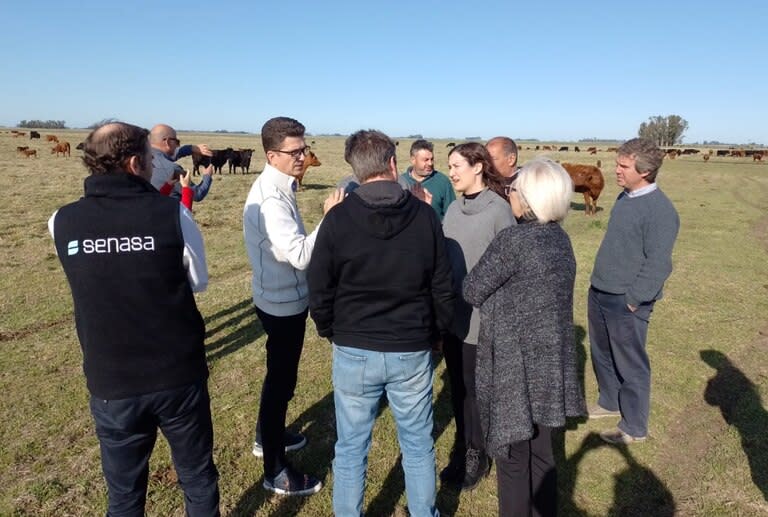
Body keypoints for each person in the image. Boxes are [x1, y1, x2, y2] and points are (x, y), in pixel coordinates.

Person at [48, 122, 219, 516]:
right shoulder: (172, 213)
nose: (154, 162)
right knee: (196, 476)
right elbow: (198, 281)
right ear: (133, 162)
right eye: (149, 156)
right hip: (177, 375)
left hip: (112, 381)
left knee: (123, 494)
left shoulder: (63, 220)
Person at [307, 129, 453, 517]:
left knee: (351, 447)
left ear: (356, 170)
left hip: (356, 348)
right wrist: (436, 334)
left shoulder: (337, 219)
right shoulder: (424, 216)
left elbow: (318, 288)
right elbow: (442, 287)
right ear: (393, 164)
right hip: (409, 347)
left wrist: (330, 330)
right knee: (418, 444)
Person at [463, 158, 586, 517]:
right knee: (542, 452)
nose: (509, 193)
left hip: (514, 365)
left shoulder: (513, 240)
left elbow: (472, 289)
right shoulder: (560, 239)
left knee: (514, 457)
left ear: (528, 198)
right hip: (549, 362)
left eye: (513, 189)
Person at [243, 116, 344, 496]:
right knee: (280, 381)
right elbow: (300, 255)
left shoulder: (279, 186)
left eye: (304, 148)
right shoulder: (272, 198)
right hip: (282, 303)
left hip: (279, 296)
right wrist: (330, 218)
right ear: (272, 155)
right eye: (295, 151)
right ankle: (274, 469)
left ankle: (267, 435)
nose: (303, 156)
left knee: (280, 378)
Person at [588, 138, 680, 444]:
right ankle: (609, 401)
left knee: (631, 363)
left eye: (623, 166)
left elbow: (659, 264)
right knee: (601, 352)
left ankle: (635, 427)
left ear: (645, 170)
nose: (616, 170)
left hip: (626, 300)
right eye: (617, 164)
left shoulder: (661, 211)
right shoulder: (624, 198)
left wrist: (634, 300)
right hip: (600, 290)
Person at [439, 143, 515, 491]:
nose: (451, 172)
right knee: (458, 387)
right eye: (449, 166)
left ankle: (477, 454)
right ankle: (463, 445)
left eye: (457, 166)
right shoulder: (454, 209)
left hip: (483, 321)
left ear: (479, 167)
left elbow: (511, 268)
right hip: (453, 317)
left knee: (476, 391)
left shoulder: (499, 212)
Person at [150, 124, 214, 203]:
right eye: (176, 141)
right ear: (167, 142)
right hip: (170, 213)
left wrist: (191, 148)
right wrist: (207, 176)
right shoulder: (173, 170)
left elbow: (168, 155)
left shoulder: (140, 158)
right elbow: (197, 194)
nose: (177, 145)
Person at [398, 139, 456, 220]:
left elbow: (452, 215)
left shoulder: (443, 182)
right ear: (413, 160)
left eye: (432, 159)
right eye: (426, 160)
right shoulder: (400, 183)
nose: (430, 163)